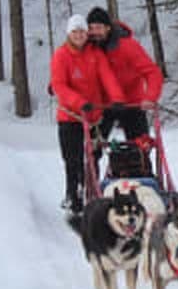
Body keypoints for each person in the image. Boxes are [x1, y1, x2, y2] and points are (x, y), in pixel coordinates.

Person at [51, 14, 125, 214]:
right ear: (69, 33)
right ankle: (72, 194)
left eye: (82, 31)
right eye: (75, 31)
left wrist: (117, 98)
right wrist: (79, 102)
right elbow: (59, 85)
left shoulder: (95, 54)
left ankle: (91, 192)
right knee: (73, 158)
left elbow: (107, 77)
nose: (79, 35)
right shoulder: (61, 55)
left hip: (94, 116)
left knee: (94, 156)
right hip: (71, 116)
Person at [86, 7, 164, 154]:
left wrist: (150, 97)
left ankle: (141, 174)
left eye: (99, 27)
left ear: (108, 28)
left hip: (131, 102)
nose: (95, 32)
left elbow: (152, 72)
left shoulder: (127, 46)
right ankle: (91, 175)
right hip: (102, 105)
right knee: (92, 150)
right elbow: (72, 66)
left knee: (140, 148)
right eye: (91, 28)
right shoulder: (88, 47)